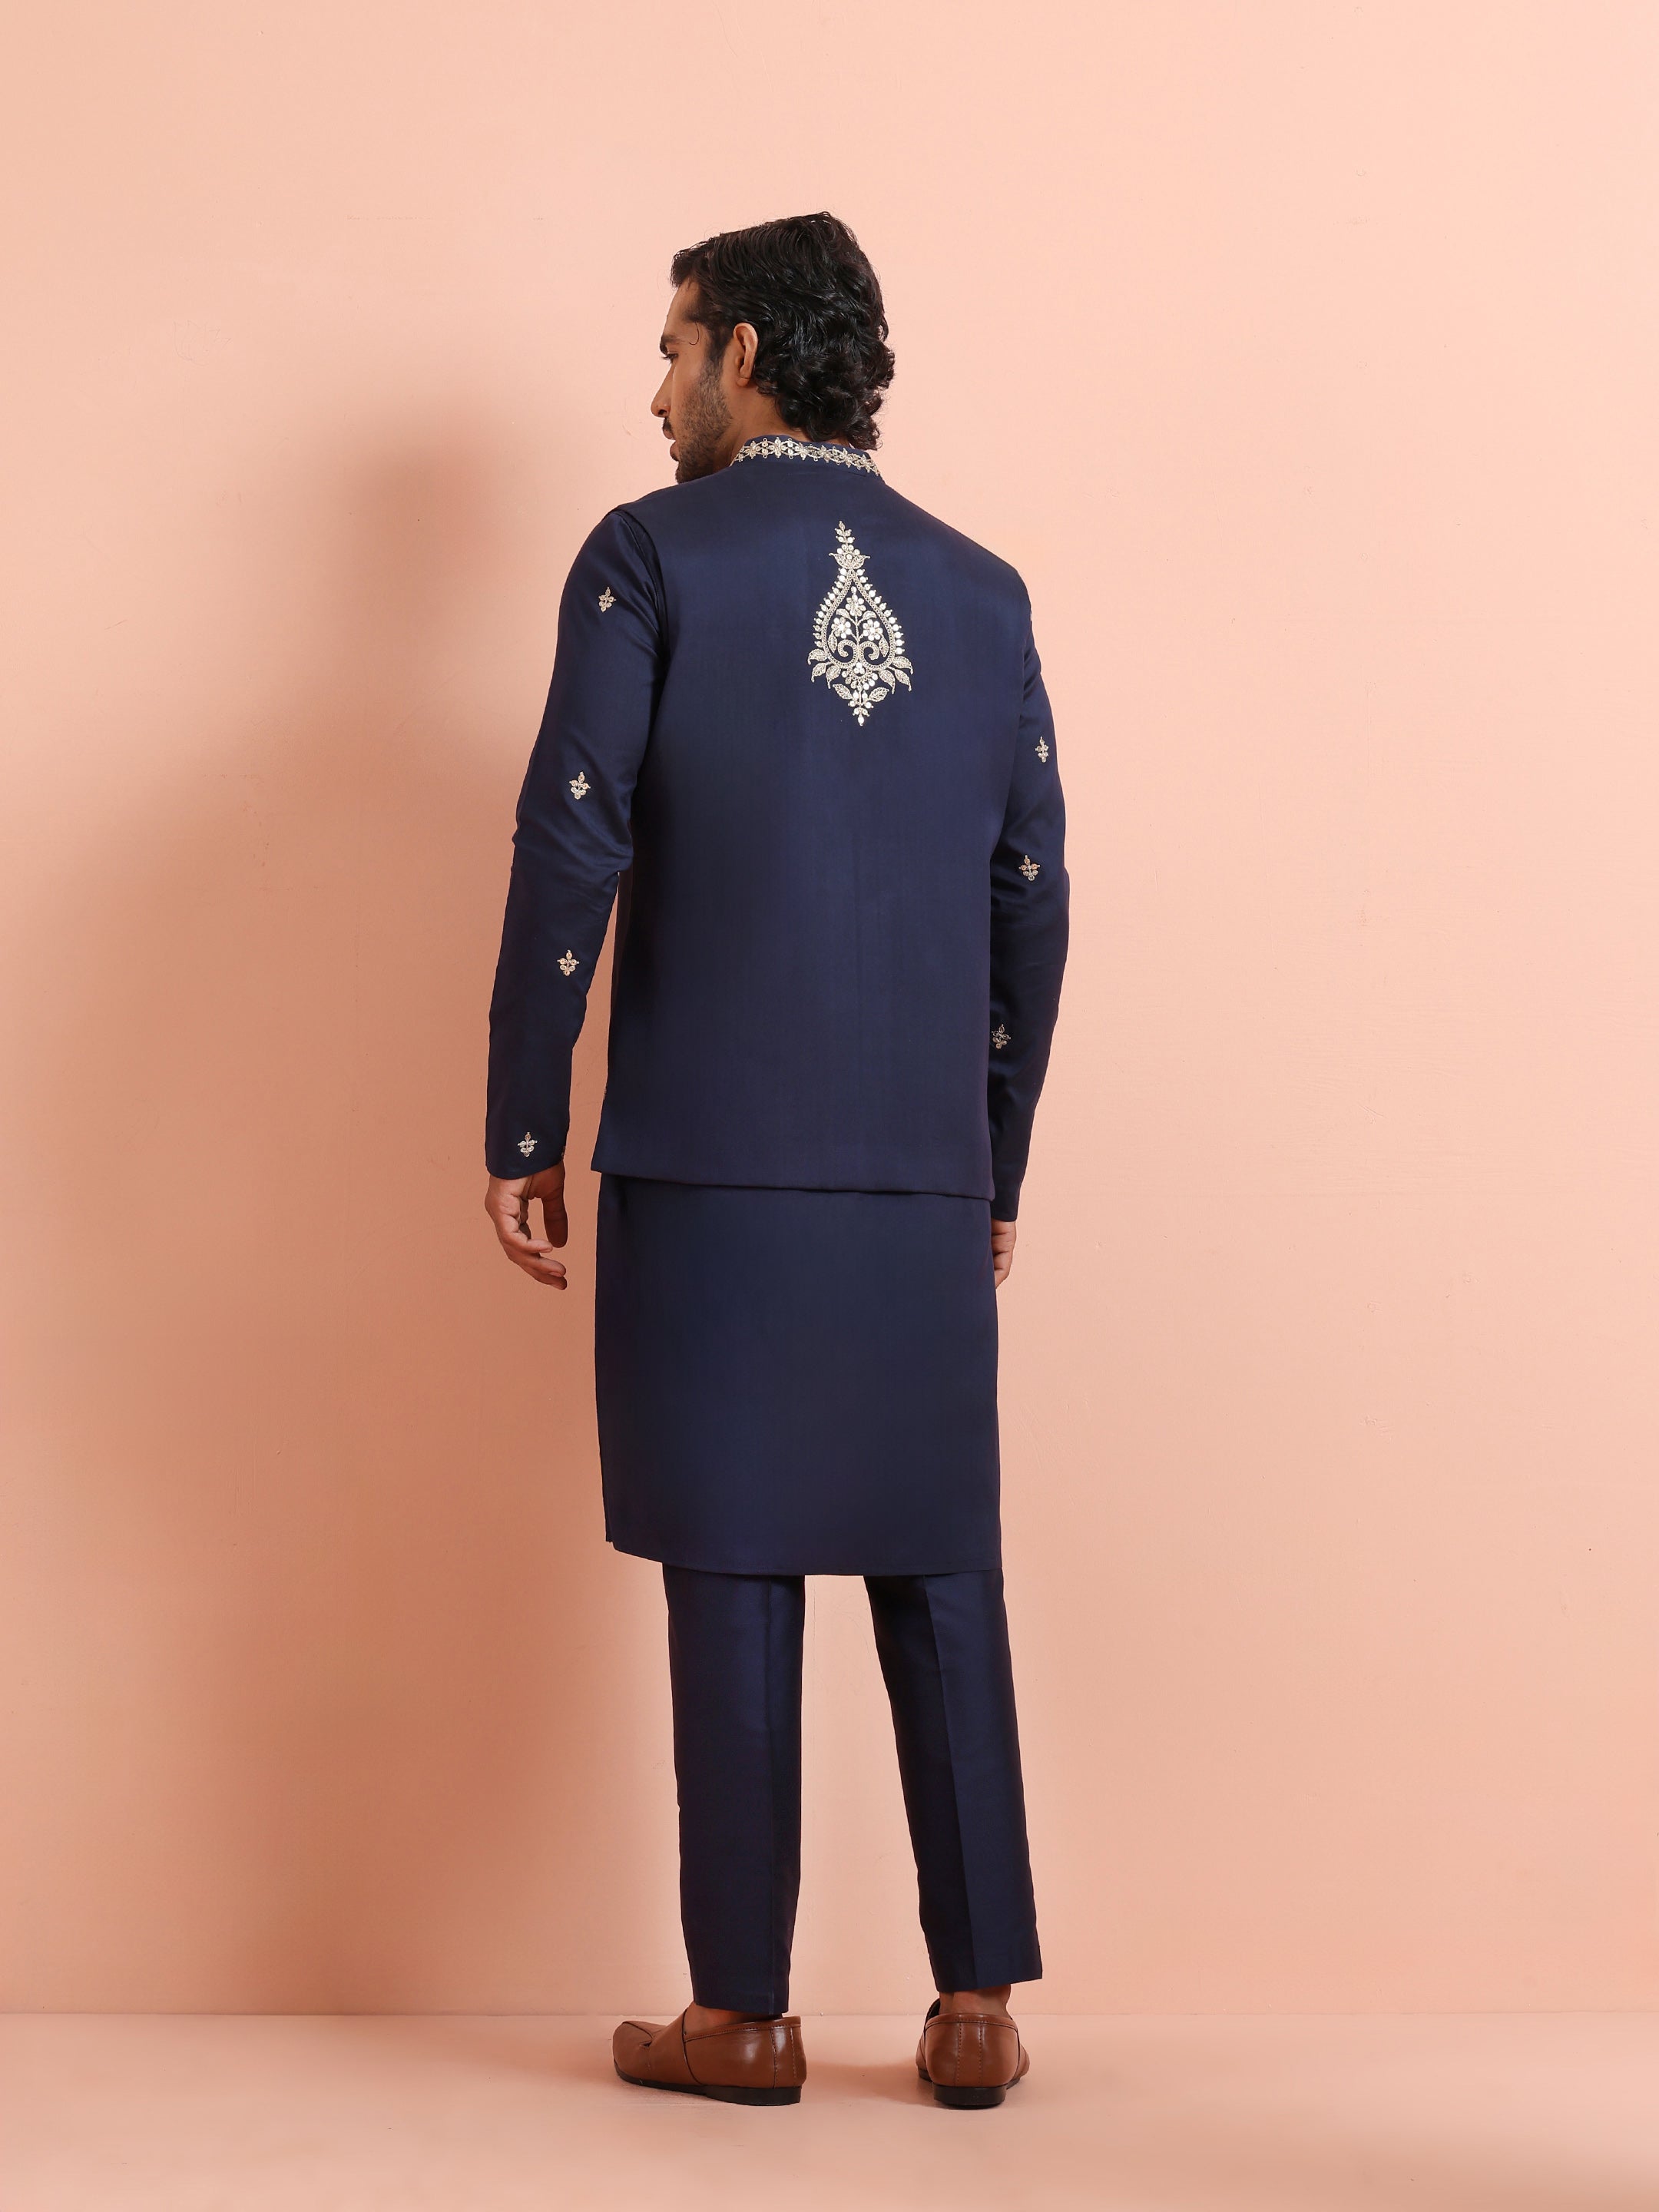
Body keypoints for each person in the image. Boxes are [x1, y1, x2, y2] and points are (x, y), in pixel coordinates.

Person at [483, 212, 1068, 2109]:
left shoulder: (649, 556)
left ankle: (742, 2015)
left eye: (674, 349)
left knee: (732, 1567)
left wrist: (523, 1120)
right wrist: (994, 1163)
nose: (657, 389)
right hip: (916, 1180)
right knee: (940, 1563)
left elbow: (572, 839)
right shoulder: (986, 594)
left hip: (707, 1164)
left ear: (744, 353)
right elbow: (1033, 899)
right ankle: (976, 2008)